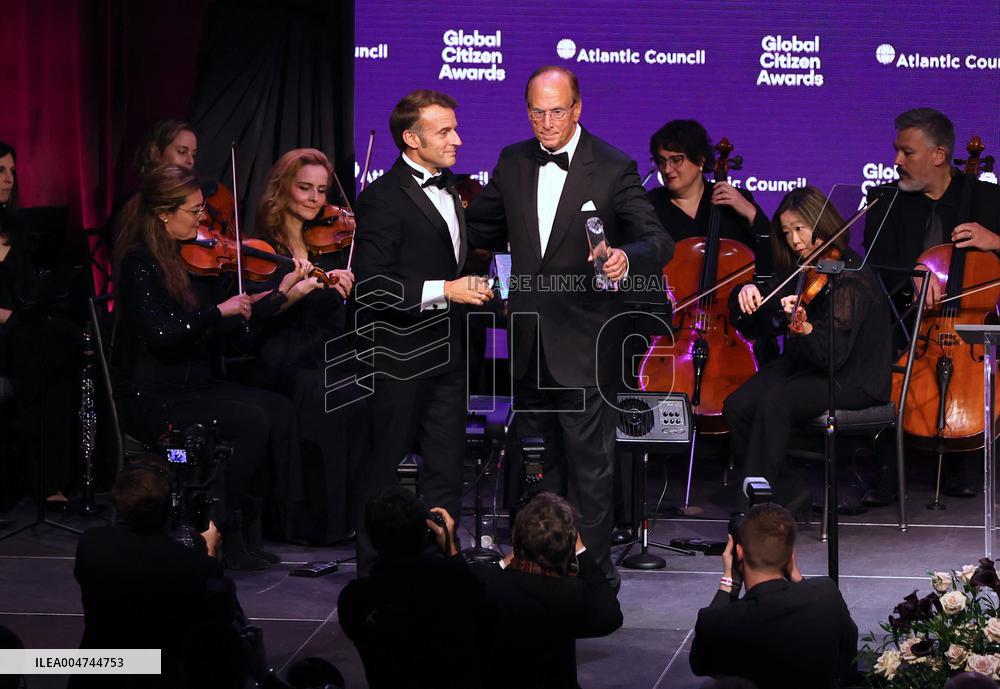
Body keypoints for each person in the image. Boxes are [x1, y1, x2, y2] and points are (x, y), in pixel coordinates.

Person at [466, 66, 673, 584]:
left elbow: (658, 240)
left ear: (577, 109)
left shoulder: (611, 166)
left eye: (557, 110)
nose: (546, 122)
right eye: (536, 111)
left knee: (590, 469)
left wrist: (626, 256)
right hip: (529, 341)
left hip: (585, 343)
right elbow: (478, 226)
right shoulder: (513, 160)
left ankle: (594, 576)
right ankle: (538, 570)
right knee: (536, 466)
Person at [113, 164, 303, 569]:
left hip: (195, 385)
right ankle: (215, 527)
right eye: (194, 211)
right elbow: (162, 335)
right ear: (164, 212)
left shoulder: (187, 260)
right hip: (155, 397)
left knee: (278, 408)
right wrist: (218, 311)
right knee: (251, 421)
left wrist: (271, 299)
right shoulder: (139, 262)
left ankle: (252, 529)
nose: (202, 221)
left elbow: (226, 336)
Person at [352, 89, 491, 574]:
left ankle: (442, 567)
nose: (457, 139)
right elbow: (370, 286)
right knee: (384, 471)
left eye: (454, 128)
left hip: (450, 356)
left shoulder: (452, 186)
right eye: (444, 131)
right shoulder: (382, 198)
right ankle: (374, 575)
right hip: (398, 358)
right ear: (411, 139)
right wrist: (445, 290)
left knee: (446, 470)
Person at [723, 186, 891, 513]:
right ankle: (787, 490)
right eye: (786, 232)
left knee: (775, 401)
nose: (794, 239)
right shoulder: (805, 267)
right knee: (737, 404)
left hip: (853, 377)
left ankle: (757, 510)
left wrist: (803, 325)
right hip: (809, 366)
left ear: (821, 222)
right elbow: (765, 301)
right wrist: (746, 292)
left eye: (800, 228)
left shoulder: (851, 277)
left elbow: (834, 356)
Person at [863, 107, 1000, 499]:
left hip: (970, 322)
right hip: (907, 318)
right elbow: (877, 264)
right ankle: (886, 467)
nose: (896, 162)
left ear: (939, 155)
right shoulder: (886, 200)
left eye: (907, 153)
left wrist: (995, 242)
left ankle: (964, 462)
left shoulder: (989, 199)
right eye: (896, 151)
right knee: (877, 353)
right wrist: (913, 280)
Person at [250, 147, 363, 544]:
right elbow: (259, 315)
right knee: (320, 391)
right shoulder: (263, 247)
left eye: (321, 189)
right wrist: (302, 288)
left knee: (360, 385)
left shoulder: (329, 241)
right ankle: (309, 523)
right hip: (285, 357)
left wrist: (347, 286)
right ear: (283, 189)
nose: (316, 199)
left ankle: (344, 518)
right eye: (305, 188)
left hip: (327, 352)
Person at [71, 457, 243, 689]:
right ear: (166, 508)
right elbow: (214, 618)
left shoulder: (91, 544)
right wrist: (209, 552)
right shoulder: (194, 564)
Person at [647, 118, 776, 363]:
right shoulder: (651, 206)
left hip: (731, 326)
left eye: (676, 159)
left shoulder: (734, 202)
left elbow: (772, 257)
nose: (667, 169)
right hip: (673, 328)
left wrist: (749, 211)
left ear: (701, 160)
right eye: (661, 161)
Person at [689, 503, 858, 689]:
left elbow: (700, 664)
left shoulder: (719, 621)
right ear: (791, 556)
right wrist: (798, 578)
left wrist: (729, 582)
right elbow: (848, 654)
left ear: (738, 552)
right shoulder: (827, 595)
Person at [0, 139, 82, 510]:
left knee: (61, 347)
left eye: (12, 172)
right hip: (7, 333)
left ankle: (54, 480)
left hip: (20, 331)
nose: (8, 180)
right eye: (0, 172)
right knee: (46, 347)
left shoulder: (16, 231)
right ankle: (43, 481)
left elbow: (26, 292)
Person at [337, 487, 488, 689]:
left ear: (371, 538)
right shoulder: (454, 586)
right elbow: (480, 615)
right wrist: (451, 549)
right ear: (425, 533)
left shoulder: (354, 599)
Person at [473, 492, 623, 689]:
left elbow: (477, 581)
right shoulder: (569, 593)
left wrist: (507, 558)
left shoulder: (487, 583)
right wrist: (581, 551)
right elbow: (611, 616)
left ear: (516, 539)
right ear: (568, 547)